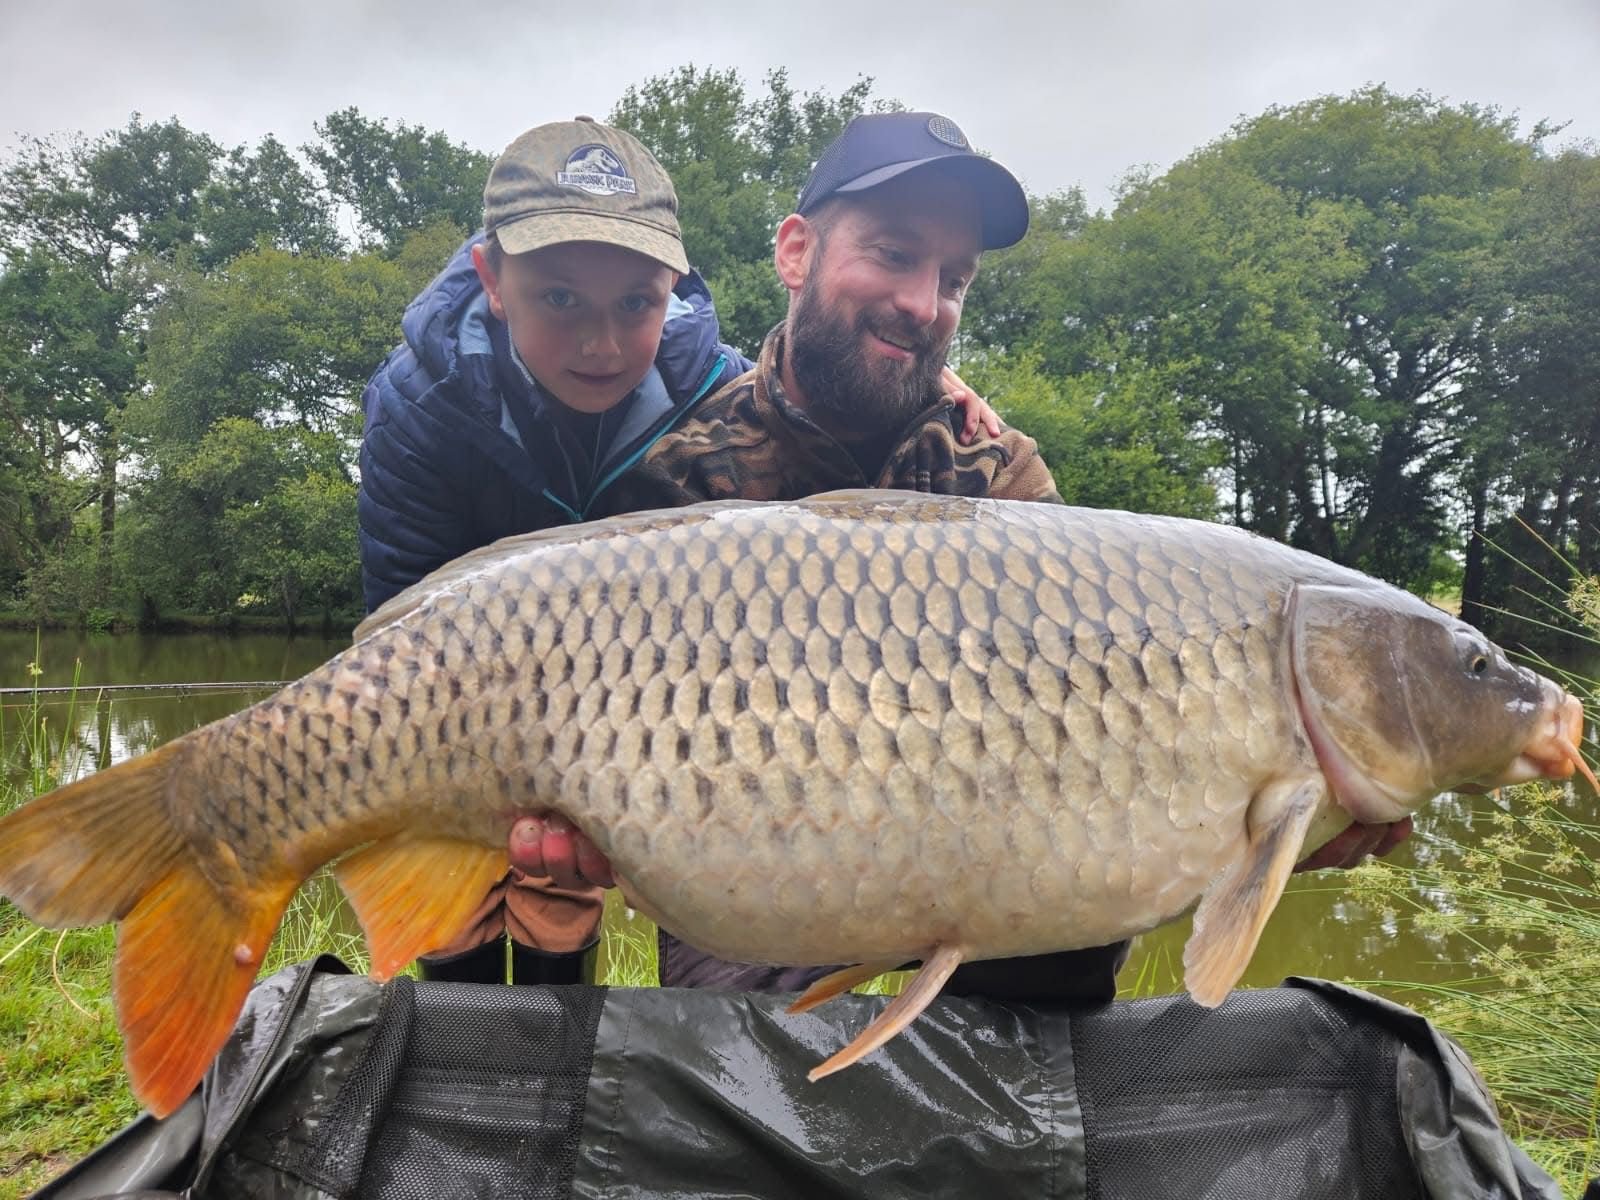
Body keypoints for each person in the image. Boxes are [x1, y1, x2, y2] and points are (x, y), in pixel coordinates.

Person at [506, 110, 1414, 1000]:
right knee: (724, 1033)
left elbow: (1121, 731)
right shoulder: (678, 474)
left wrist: (1277, 810)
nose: (921, 301)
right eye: (895, 255)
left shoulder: (999, 470)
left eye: (953, 277)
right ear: (795, 253)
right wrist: (590, 836)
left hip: (991, 854)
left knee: (1075, 935)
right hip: (764, 863)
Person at [358, 116, 1000, 986]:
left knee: (556, 894)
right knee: (457, 912)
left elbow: (808, 467)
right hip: (462, 674)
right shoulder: (418, 404)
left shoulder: (706, 387)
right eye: (559, 300)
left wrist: (930, 374)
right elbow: (396, 613)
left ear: (674, 290)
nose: (602, 342)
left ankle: (555, 1086)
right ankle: (458, 1083)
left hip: (615, 695)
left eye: (637, 303)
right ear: (493, 279)